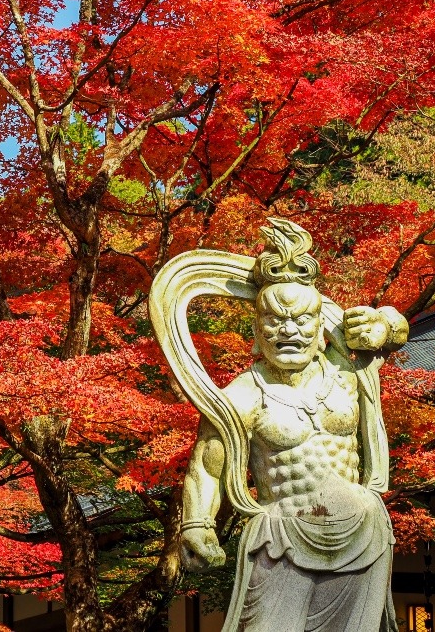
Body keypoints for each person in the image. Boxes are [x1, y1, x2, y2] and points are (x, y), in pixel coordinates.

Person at [175, 219, 409, 632]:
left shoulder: (347, 373)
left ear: (321, 328)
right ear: (256, 330)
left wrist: (382, 325)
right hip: (282, 536)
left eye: (302, 321)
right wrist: (197, 524)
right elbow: (207, 467)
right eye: (275, 321)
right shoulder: (242, 396)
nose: (289, 331)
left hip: (362, 530)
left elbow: (392, 330)